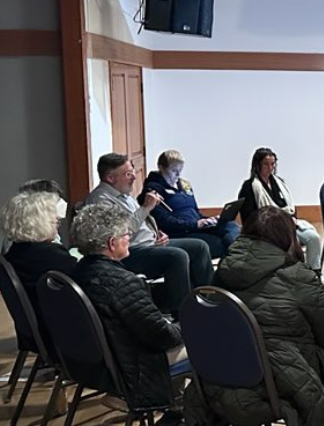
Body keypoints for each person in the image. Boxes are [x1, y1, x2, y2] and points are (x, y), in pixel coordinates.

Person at [202, 206, 324, 426]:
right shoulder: (298, 275)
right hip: (274, 388)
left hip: (220, 382)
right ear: (286, 237)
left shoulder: (222, 271)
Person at [69, 204, 187, 409]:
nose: (129, 239)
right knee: (209, 341)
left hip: (91, 366)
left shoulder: (76, 273)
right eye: (126, 234)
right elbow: (163, 337)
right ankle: (184, 416)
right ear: (112, 243)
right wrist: (187, 325)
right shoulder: (122, 282)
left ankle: (173, 410)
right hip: (132, 368)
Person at [86, 153, 212, 316]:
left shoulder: (124, 194)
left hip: (150, 243)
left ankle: (208, 301)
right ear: (110, 177)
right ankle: (182, 314)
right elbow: (120, 232)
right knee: (177, 256)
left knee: (199, 246)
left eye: (133, 172)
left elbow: (142, 221)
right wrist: (146, 207)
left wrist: (157, 233)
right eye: (128, 174)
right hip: (128, 252)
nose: (133, 178)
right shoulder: (101, 199)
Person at [1, 191, 77, 349]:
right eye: (54, 221)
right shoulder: (51, 256)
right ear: (39, 222)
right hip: (62, 336)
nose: (57, 225)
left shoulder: (13, 253)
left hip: (35, 333)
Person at [238, 147, 323, 275]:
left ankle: (315, 275)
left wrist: (291, 219)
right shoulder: (249, 187)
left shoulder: (280, 183)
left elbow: (290, 207)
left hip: (288, 224)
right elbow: (248, 216)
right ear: (257, 165)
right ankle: (292, 277)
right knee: (288, 243)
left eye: (272, 164)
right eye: (266, 164)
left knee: (313, 238)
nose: (270, 167)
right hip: (267, 229)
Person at [141, 150, 240, 259]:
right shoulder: (153, 190)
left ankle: (237, 257)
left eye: (180, 170)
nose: (178, 175)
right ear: (161, 168)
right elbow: (164, 221)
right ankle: (237, 258)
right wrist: (195, 224)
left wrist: (208, 220)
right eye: (174, 171)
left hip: (196, 226)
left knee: (231, 225)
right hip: (181, 232)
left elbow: (194, 211)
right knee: (218, 243)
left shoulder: (184, 185)